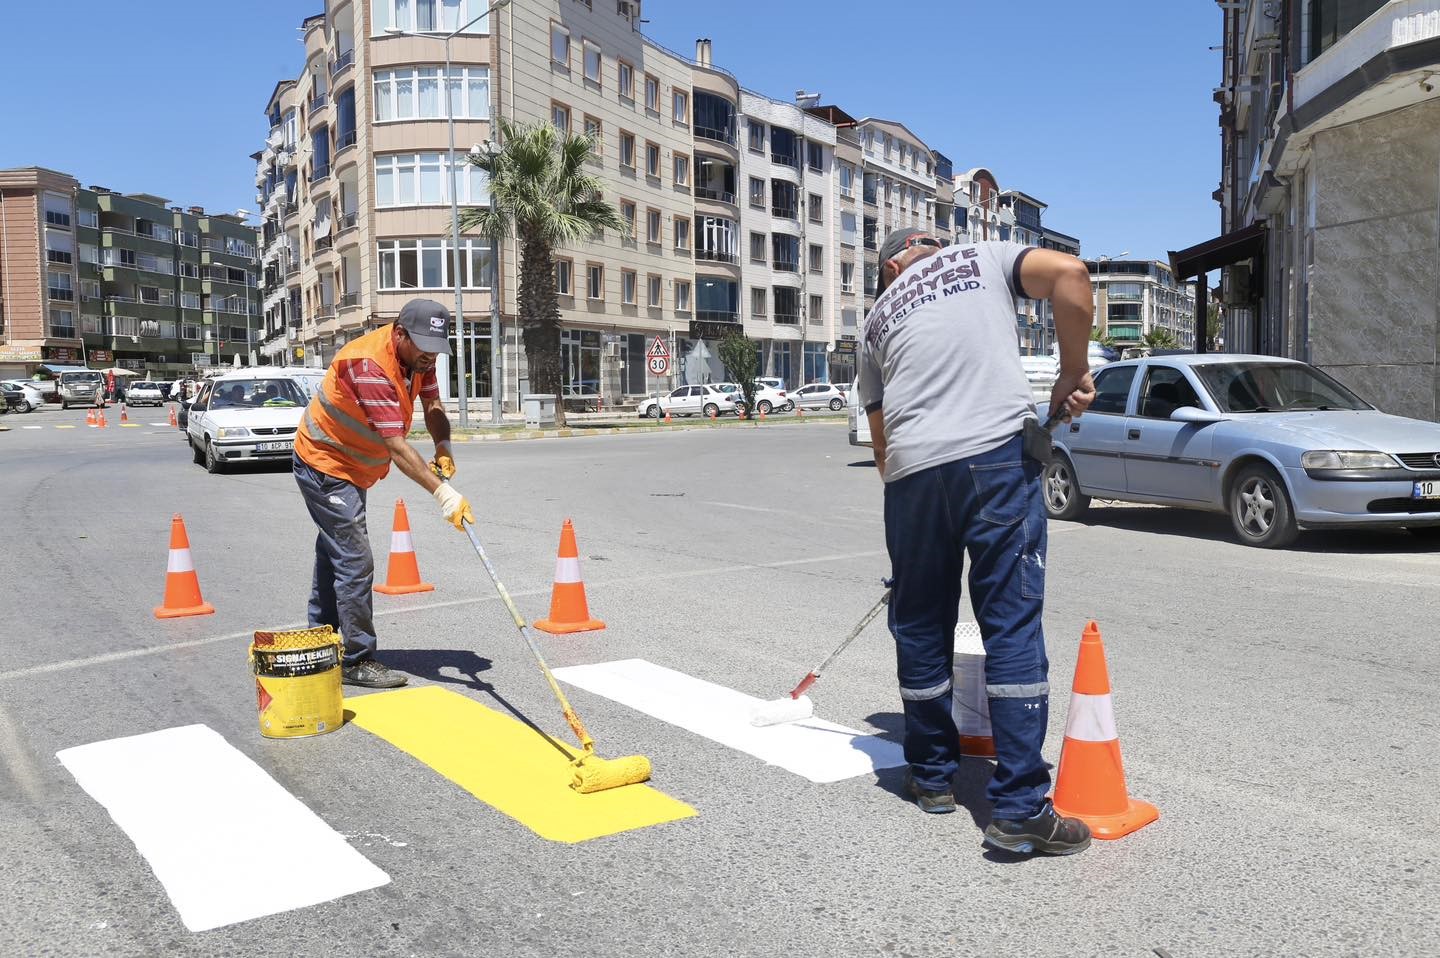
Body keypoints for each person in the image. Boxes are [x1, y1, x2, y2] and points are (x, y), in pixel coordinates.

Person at [857, 228, 1097, 856]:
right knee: (1009, 622)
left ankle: (933, 778)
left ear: (890, 269)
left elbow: (880, 444)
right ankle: (1019, 807)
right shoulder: (982, 256)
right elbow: (1070, 276)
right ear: (934, 248)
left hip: (911, 476)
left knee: (920, 624)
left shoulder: (876, 320)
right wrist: (1073, 372)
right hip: (992, 456)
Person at [292, 298, 472, 688]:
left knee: (336, 552)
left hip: (353, 467)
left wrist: (444, 447)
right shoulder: (368, 365)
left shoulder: (419, 359)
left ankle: (319, 638)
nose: (430, 357)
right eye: (424, 347)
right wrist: (443, 494)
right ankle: (356, 659)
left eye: (436, 349)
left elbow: (434, 403)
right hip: (325, 463)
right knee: (355, 559)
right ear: (400, 333)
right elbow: (395, 444)